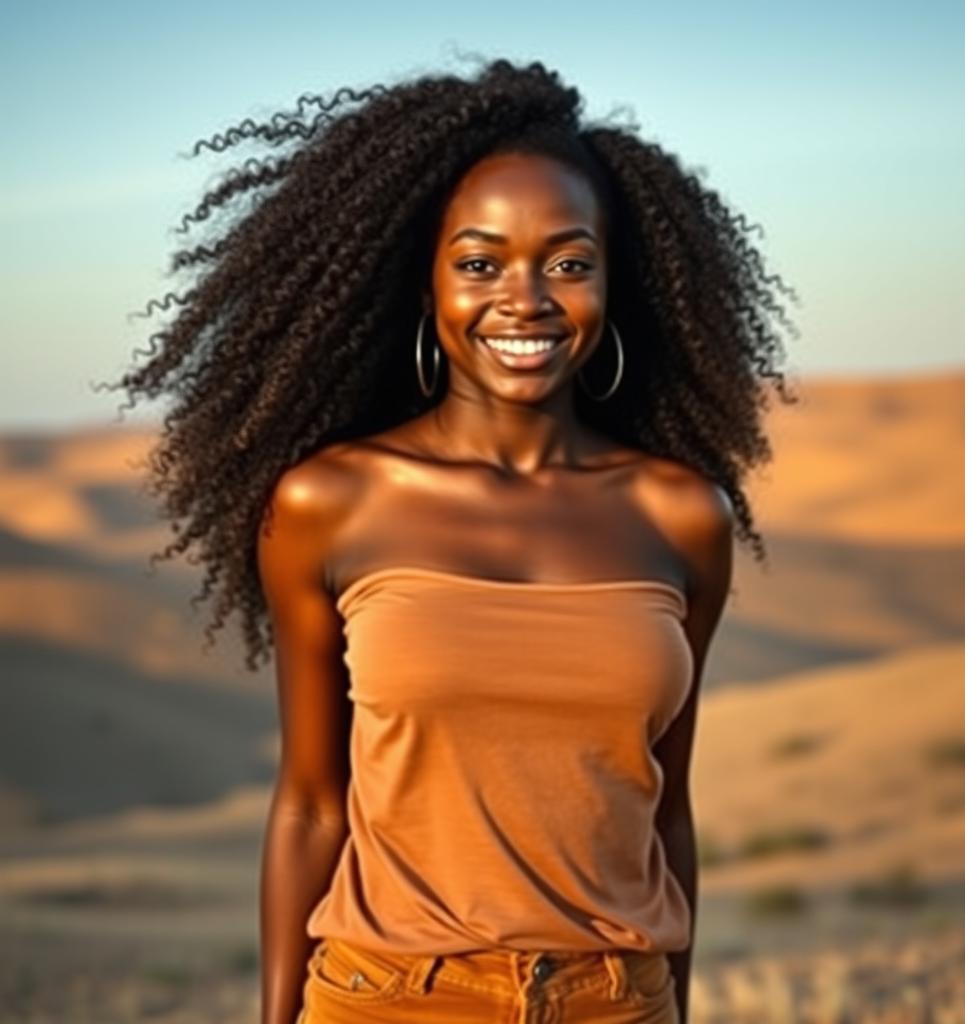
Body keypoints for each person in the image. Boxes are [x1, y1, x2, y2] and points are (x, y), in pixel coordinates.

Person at [109, 56, 796, 1024]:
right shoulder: (328, 503)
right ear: (423, 283)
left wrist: (667, 1008)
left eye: (568, 262)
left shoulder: (680, 515)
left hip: (614, 1000)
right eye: (480, 263)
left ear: (614, 282)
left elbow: (663, 807)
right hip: (386, 997)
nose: (526, 299)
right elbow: (310, 800)